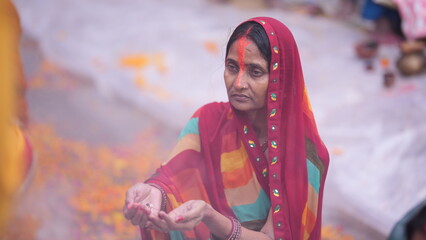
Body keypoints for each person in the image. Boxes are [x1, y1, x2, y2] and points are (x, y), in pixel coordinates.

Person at [123, 17, 329, 240]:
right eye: (232, 67)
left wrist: (211, 217)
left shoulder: (305, 154)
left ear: (282, 79)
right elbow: (171, 177)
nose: (238, 83)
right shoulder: (208, 121)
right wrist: (154, 192)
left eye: (255, 72)